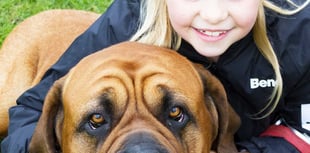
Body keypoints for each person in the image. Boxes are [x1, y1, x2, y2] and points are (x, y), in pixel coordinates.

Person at [1, 0, 310, 152]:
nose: (214, 14)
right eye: (97, 121)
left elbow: (303, 129)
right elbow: (28, 112)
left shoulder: (298, 35)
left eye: (174, 114)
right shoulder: (123, 24)